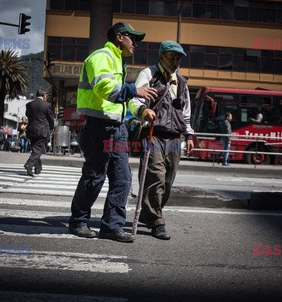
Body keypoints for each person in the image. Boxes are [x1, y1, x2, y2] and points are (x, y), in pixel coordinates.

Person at [68, 22, 157, 243]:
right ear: (119, 37)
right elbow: (103, 87)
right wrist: (133, 89)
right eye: (132, 39)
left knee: (123, 179)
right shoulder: (101, 56)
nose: (135, 44)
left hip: (117, 128)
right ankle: (78, 221)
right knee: (94, 176)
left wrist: (142, 110)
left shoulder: (118, 61)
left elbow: (121, 101)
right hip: (99, 127)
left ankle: (112, 226)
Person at [128, 40, 194, 240]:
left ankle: (150, 214)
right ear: (161, 57)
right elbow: (134, 99)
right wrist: (142, 110)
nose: (175, 62)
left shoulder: (182, 82)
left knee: (167, 181)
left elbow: (186, 111)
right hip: (154, 133)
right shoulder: (148, 74)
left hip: (175, 138)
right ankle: (157, 221)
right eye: (172, 57)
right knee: (155, 176)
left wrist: (189, 135)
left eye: (178, 59)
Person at [24, 89, 55, 176]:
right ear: (44, 96)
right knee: (38, 150)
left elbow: (27, 115)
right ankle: (29, 164)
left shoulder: (29, 104)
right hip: (41, 130)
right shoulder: (47, 105)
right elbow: (50, 119)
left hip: (31, 130)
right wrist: (52, 127)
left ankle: (38, 168)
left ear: (35, 95)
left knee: (35, 149)